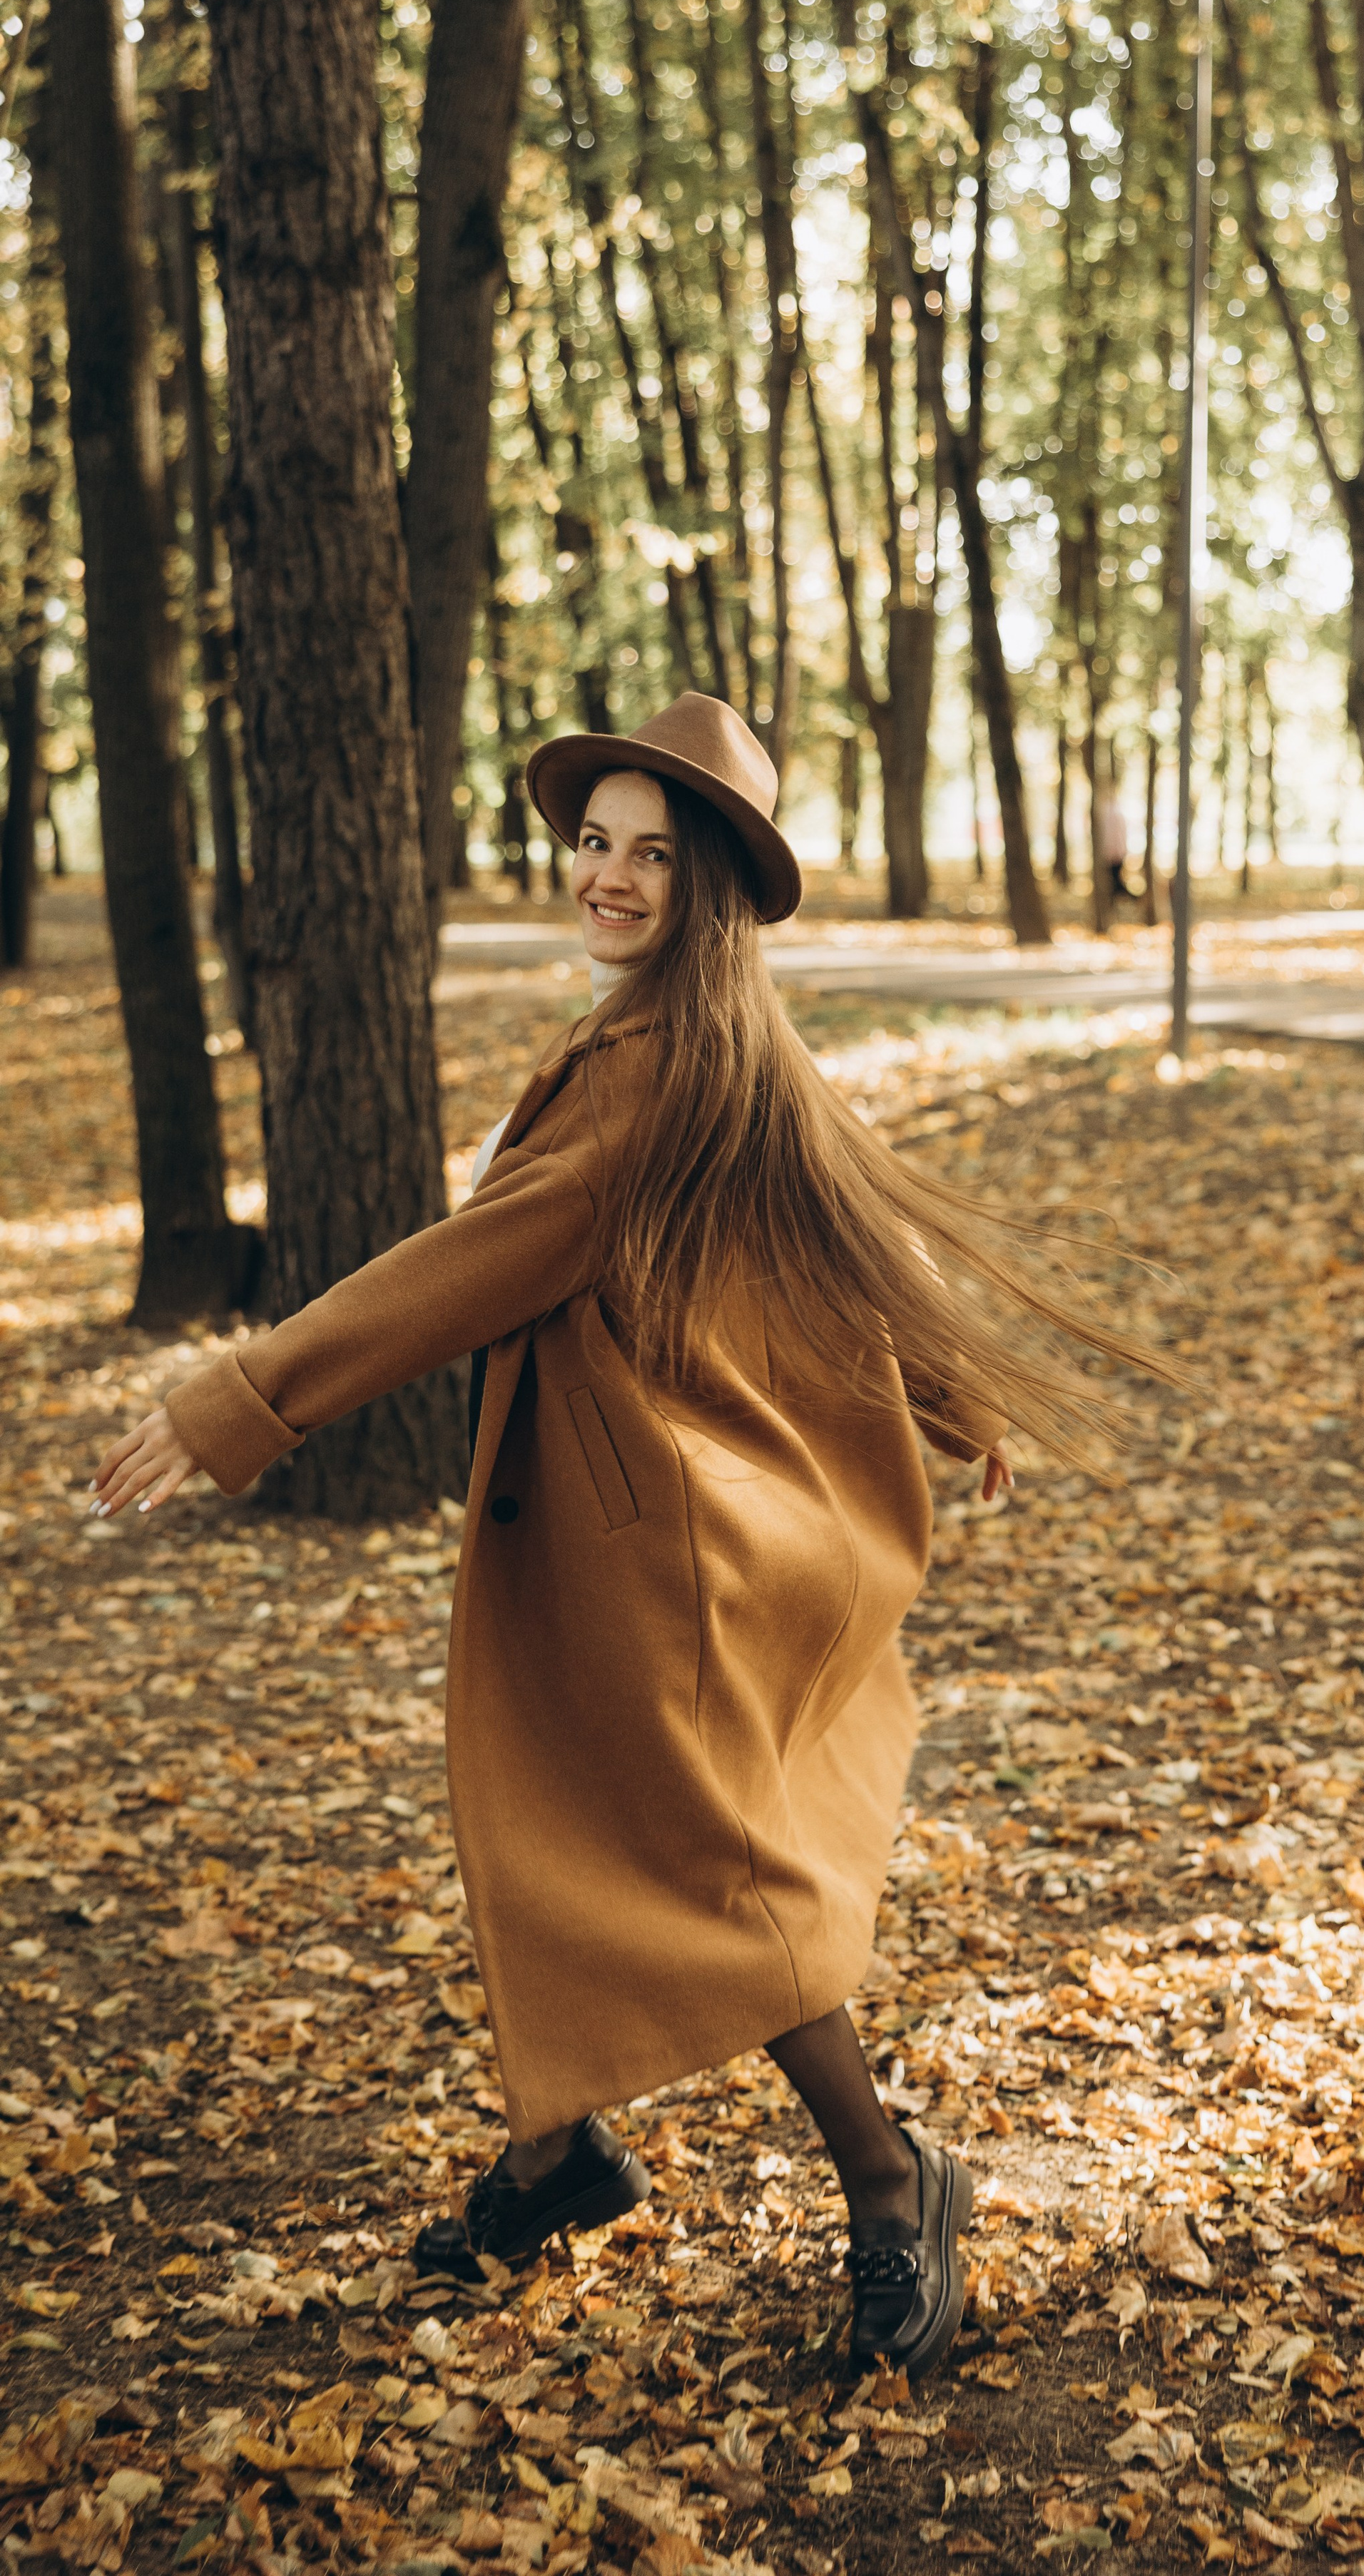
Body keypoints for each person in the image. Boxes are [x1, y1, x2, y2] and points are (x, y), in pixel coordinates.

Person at [91, 693, 1154, 2383]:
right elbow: (851, 1222)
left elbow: (463, 1269)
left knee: (707, 1874)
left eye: (650, 856)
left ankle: (893, 2177)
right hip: (646, 1520)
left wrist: (244, 1403)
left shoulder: (654, 1072)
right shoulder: (710, 1035)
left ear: (706, 883)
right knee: (547, 1827)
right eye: (594, 841)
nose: (606, 875)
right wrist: (955, 1397)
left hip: (655, 1550)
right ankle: (553, 2158)